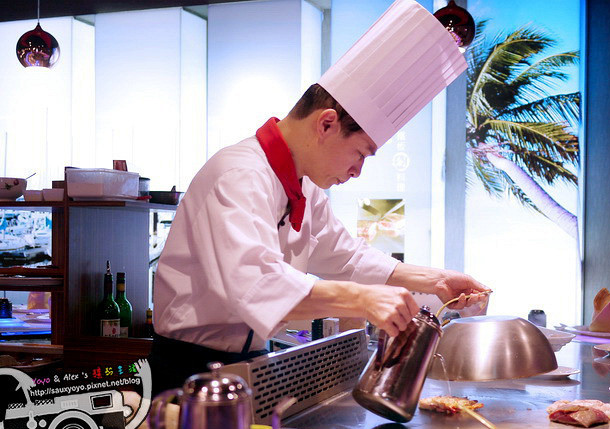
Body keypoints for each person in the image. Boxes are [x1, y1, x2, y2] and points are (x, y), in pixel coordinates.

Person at [150, 0, 489, 392]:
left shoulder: (304, 183)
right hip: (186, 373)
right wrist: (364, 300)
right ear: (327, 123)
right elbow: (257, 285)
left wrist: (437, 280)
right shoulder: (239, 174)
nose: (357, 171)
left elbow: (345, 256)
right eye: (360, 153)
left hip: (249, 365)